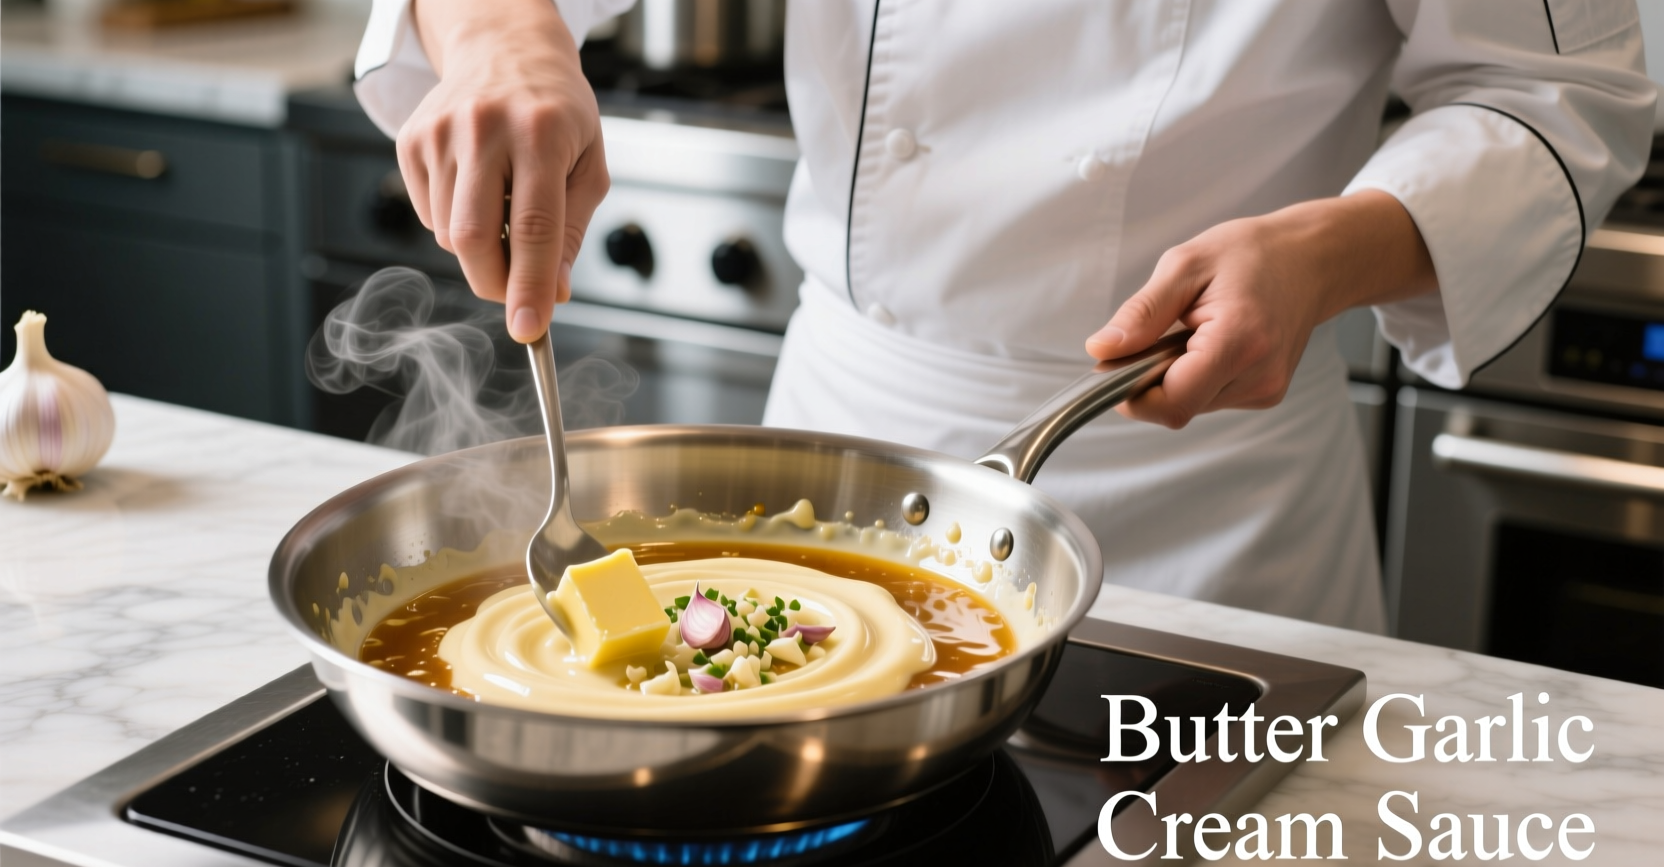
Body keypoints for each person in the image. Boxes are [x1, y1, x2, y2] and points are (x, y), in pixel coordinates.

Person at [353, 0, 1655, 632]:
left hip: (1195, 487)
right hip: (842, 429)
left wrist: (1327, 252)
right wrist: (503, 38)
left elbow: (1557, 92)